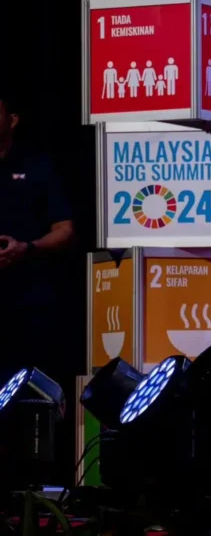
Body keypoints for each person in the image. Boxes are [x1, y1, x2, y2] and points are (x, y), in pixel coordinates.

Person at [0, 91, 76, 484]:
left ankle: (33, 485)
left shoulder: (37, 167)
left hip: (31, 307)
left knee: (31, 398)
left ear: (11, 119)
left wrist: (26, 248)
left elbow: (65, 230)